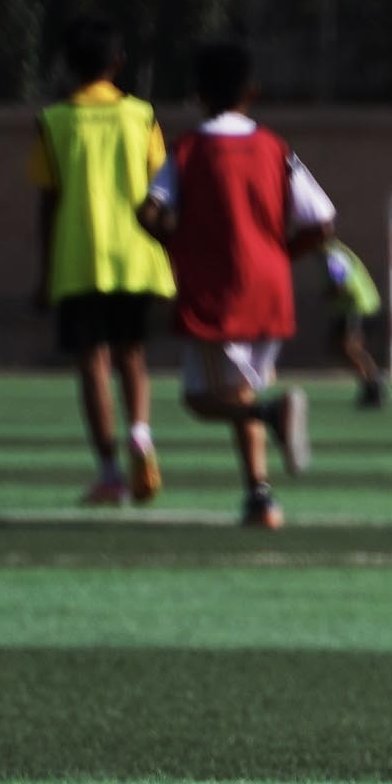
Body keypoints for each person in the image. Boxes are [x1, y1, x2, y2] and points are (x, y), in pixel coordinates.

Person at [146, 35, 334, 530]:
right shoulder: (276, 148)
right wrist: (279, 254)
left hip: (219, 292)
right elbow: (323, 221)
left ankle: (273, 419)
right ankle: (261, 498)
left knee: (201, 400)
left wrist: (175, 242)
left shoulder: (188, 150)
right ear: (252, 91)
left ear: (198, 95)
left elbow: (151, 210)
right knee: (241, 394)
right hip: (270, 290)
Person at [28, 13, 174, 508]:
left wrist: (46, 273)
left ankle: (110, 472)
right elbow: (161, 191)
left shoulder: (55, 122)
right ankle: (140, 431)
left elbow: (48, 201)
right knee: (132, 354)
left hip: (80, 258)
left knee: (92, 363)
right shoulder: (142, 115)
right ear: (118, 63)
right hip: (135, 256)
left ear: (69, 65)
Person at [320, 238, 388, 405]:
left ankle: (374, 384)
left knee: (349, 348)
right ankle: (372, 382)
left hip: (357, 306)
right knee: (342, 347)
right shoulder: (334, 251)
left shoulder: (333, 254)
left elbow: (341, 285)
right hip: (354, 306)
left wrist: (328, 294)